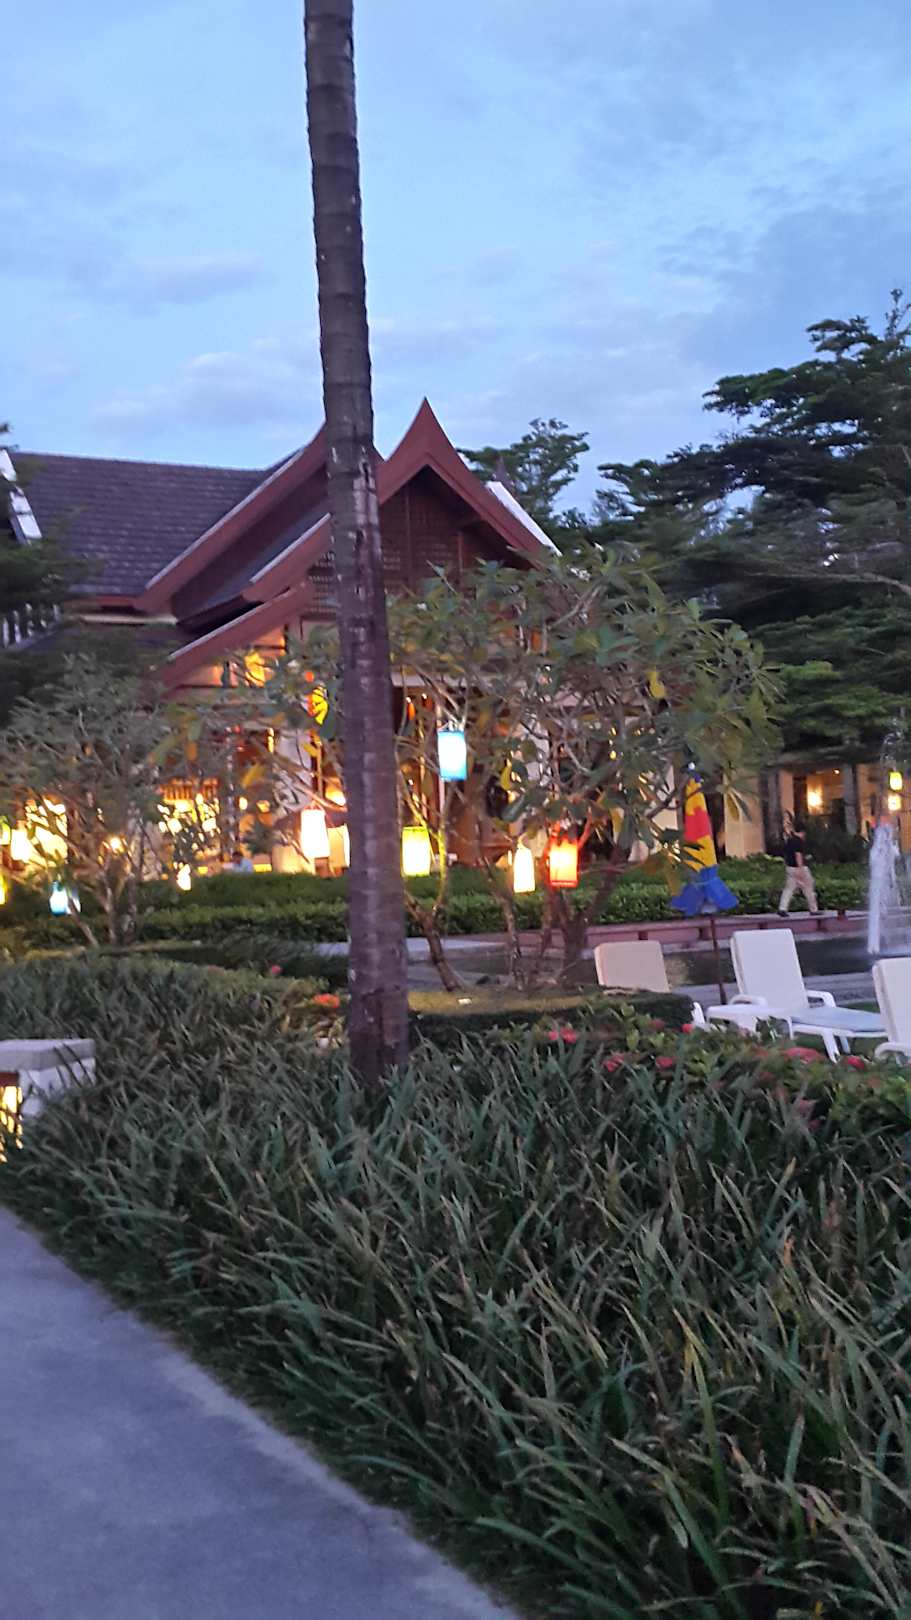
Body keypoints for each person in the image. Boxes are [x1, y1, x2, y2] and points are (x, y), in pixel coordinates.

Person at [778, 826, 818, 916]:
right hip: (799, 868)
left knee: (788, 889)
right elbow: (798, 855)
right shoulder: (798, 841)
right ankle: (813, 909)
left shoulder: (789, 841)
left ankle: (782, 908)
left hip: (790, 868)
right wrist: (800, 868)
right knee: (808, 887)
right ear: (802, 832)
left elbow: (786, 855)